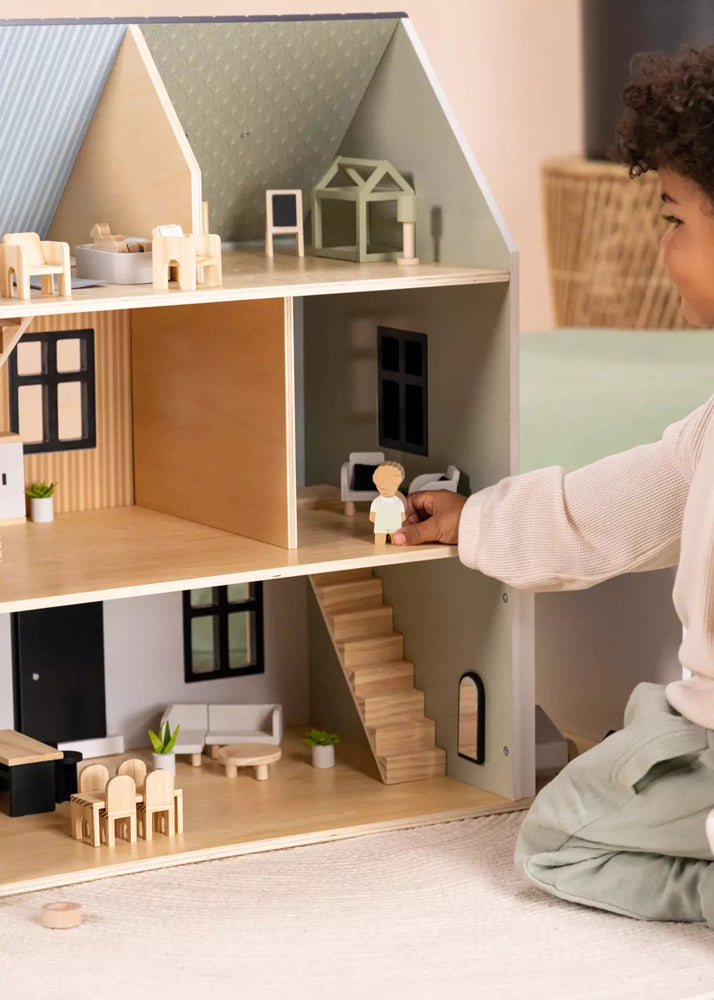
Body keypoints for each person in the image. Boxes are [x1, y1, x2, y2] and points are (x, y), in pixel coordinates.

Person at [393, 44, 714, 928]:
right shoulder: (707, 432)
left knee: (558, 842)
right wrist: (475, 521)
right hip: (700, 735)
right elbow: (606, 511)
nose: (662, 248)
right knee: (583, 807)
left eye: (675, 220)